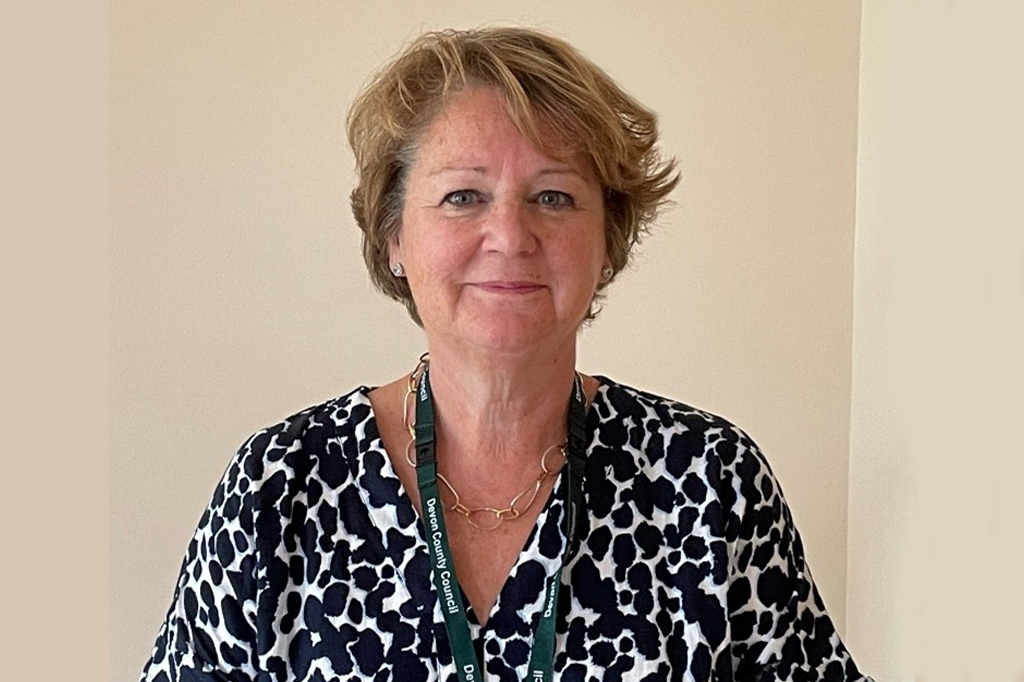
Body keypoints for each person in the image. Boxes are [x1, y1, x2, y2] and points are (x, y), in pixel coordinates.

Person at [141, 27, 872, 682]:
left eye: (553, 198)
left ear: (607, 241)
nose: (510, 234)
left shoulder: (710, 484)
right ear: (395, 236)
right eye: (463, 196)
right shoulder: (280, 488)